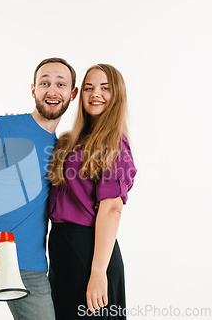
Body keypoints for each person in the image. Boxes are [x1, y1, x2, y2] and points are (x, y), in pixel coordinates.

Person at [0, 57, 78, 320]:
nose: (52, 91)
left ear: (72, 93)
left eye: (60, 84)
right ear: (33, 90)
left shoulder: (64, 147)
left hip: (30, 264)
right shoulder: (4, 127)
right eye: (45, 83)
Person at [47, 64, 137, 319]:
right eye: (89, 88)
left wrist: (98, 271)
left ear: (116, 95)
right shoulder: (70, 141)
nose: (95, 93)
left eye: (105, 88)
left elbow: (111, 208)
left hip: (90, 250)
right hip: (62, 248)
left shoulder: (114, 142)